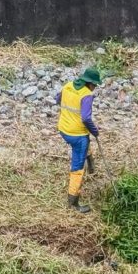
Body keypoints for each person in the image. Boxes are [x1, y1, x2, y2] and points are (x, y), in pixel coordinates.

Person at [56, 67, 102, 213]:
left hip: (63, 129)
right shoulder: (86, 94)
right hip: (77, 134)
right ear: (90, 83)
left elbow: (58, 99)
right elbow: (86, 118)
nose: (94, 88)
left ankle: (92, 166)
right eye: (95, 85)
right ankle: (73, 202)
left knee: (85, 143)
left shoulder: (68, 85)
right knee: (77, 168)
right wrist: (95, 131)